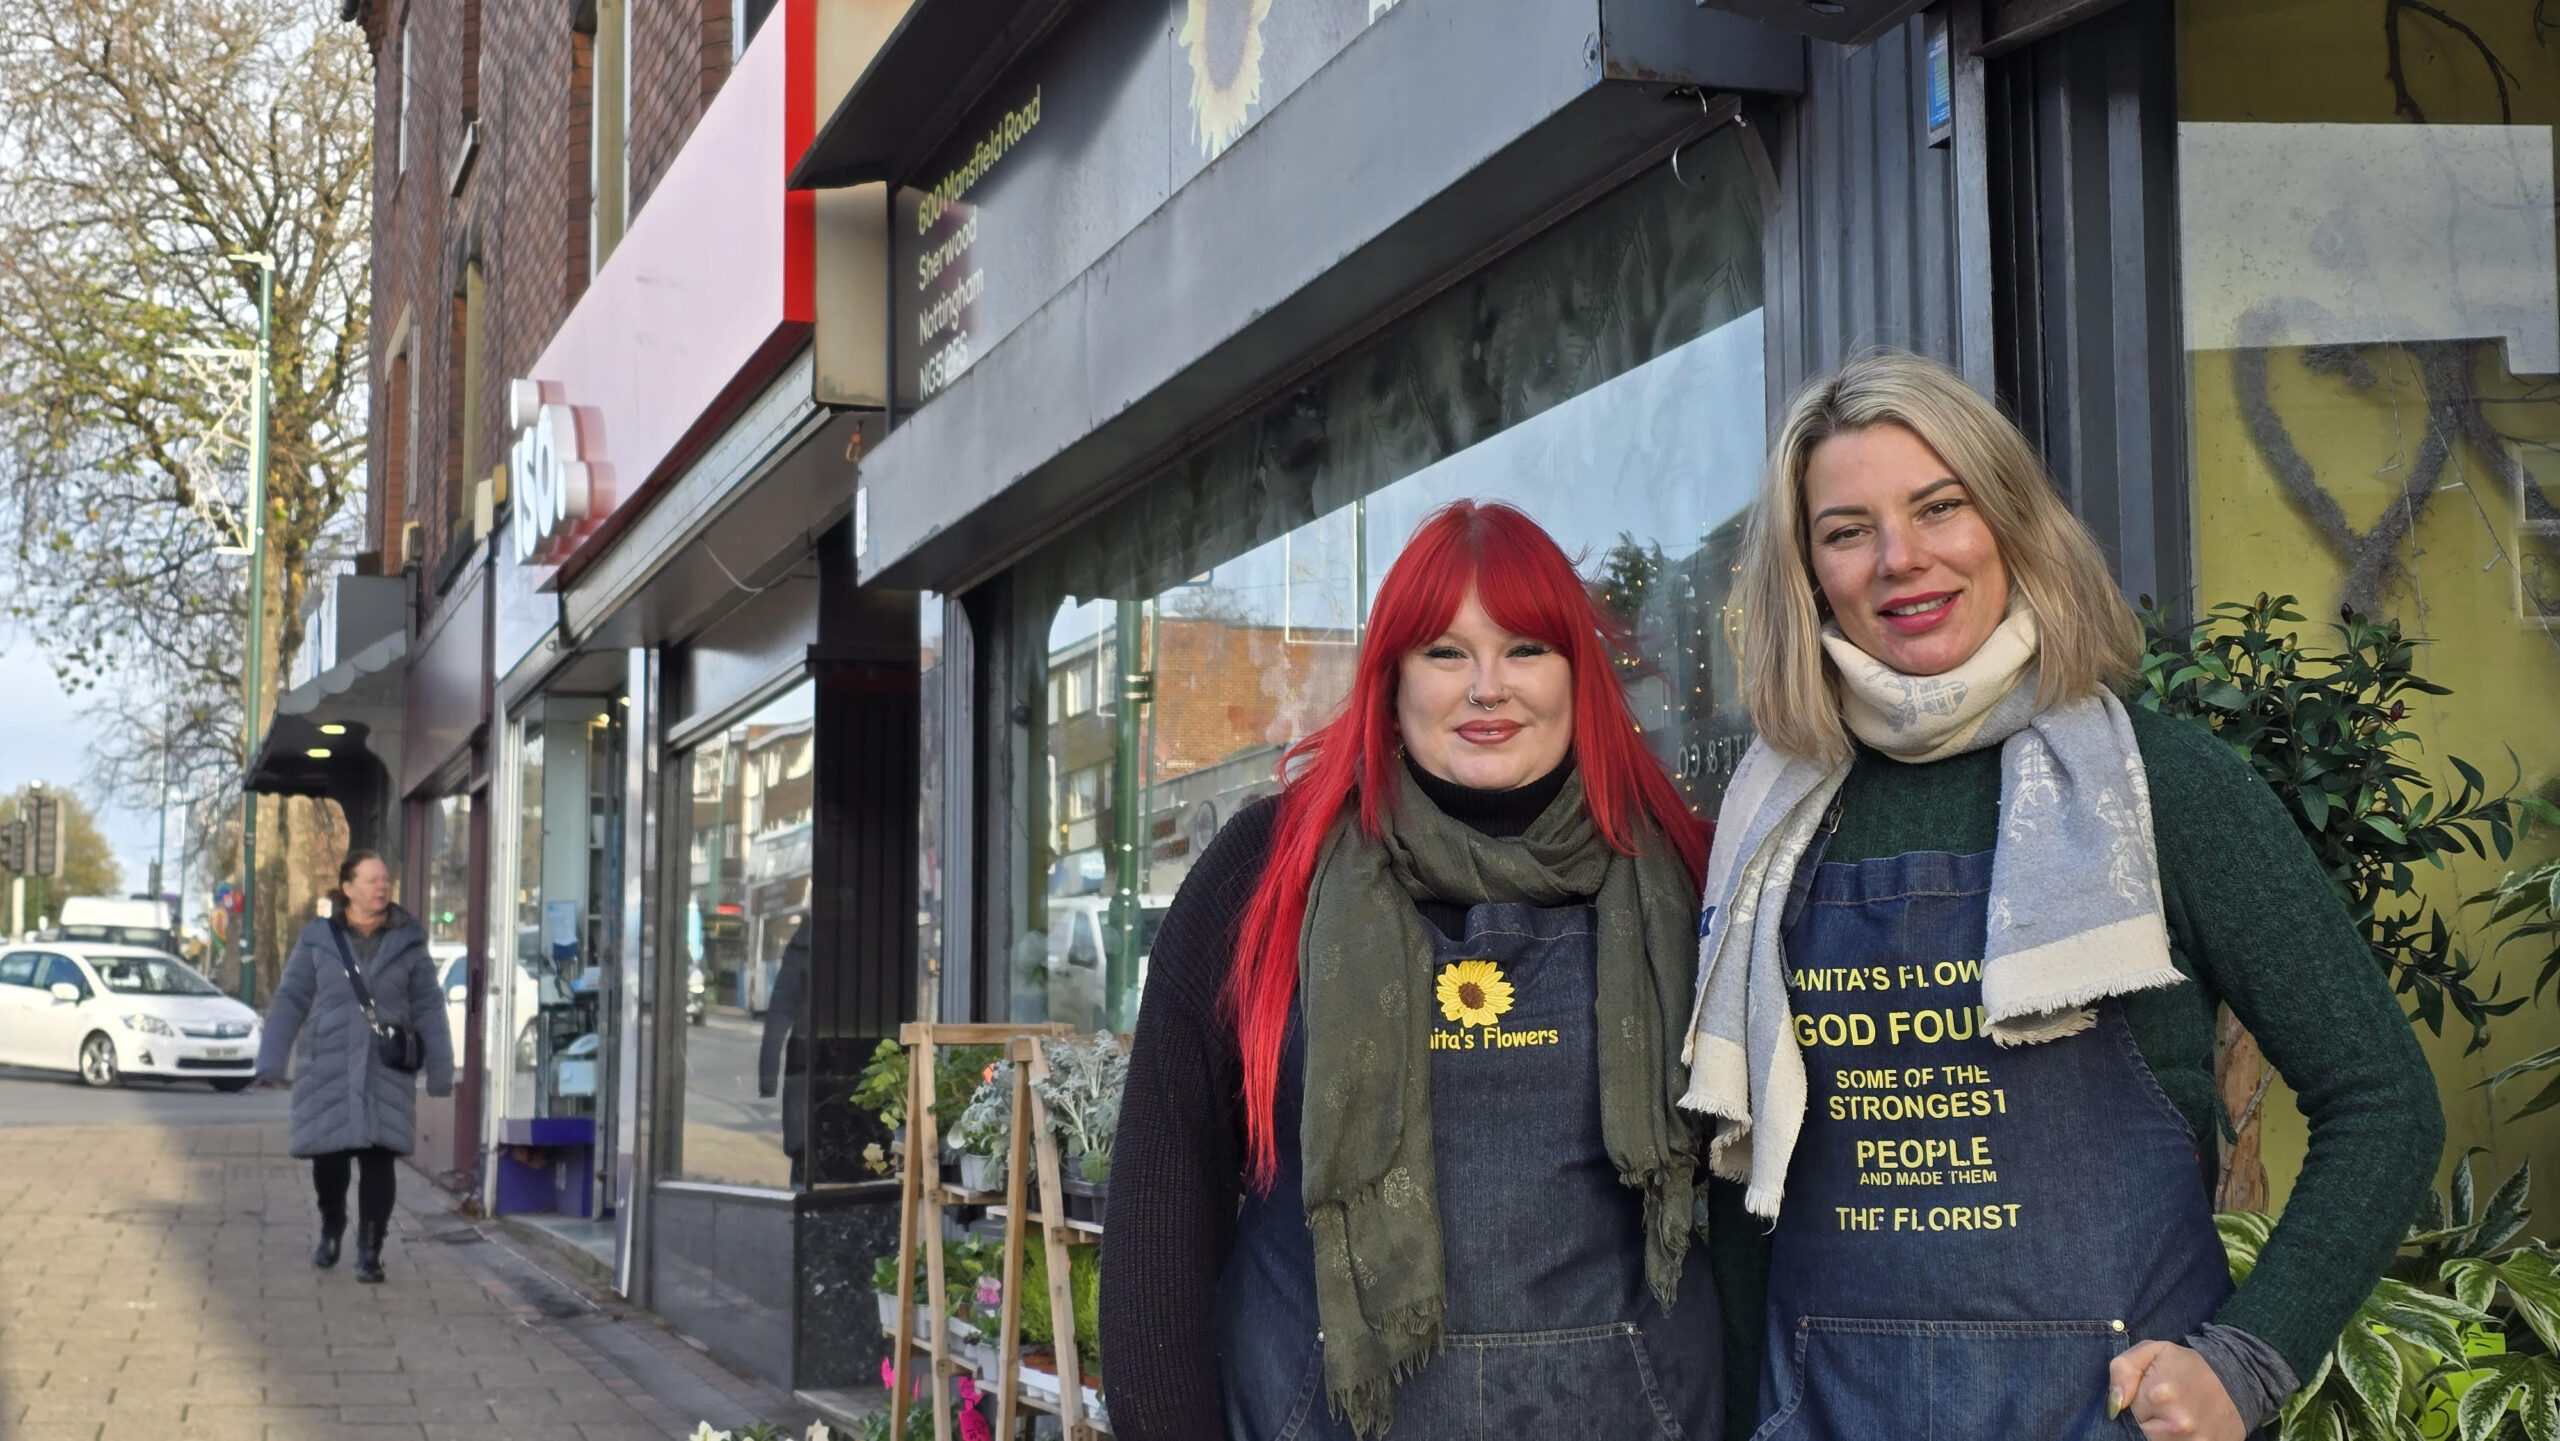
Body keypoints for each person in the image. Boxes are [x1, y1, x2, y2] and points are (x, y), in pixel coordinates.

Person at [1685, 350, 2442, 1441]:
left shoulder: (2159, 788)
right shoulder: (1770, 829)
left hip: (2114, 1416)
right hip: (1828, 1412)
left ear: (2008, 520)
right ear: (1806, 571)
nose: (1900, 560)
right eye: (1847, 529)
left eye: (1938, 507)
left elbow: (2382, 1101)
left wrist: (2243, 1362)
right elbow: (1740, 1185)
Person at [1102, 500, 1720, 1440]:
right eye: (1443, 651)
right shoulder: (1265, 873)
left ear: (1578, 674)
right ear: (1390, 677)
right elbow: (1162, 1205)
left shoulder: (1686, 873)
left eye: (1526, 649)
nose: (1487, 687)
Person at [252, 850, 456, 1284]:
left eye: (385, 880)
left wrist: (441, 1068)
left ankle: (370, 1250)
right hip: (327, 1063)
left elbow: (429, 1006)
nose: (381, 887)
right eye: (371, 880)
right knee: (329, 1158)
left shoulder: (408, 941)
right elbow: (291, 998)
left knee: (379, 1158)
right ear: (348, 889)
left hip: (385, 1066)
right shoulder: (318, 939)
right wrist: (271, 1058)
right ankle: (331, 1226)